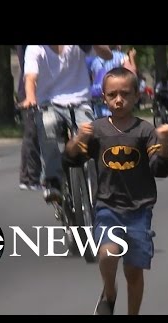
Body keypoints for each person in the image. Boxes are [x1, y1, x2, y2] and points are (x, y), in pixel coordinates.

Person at [65, 67, 168, 315]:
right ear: (103, 97)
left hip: (139, 210)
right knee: (107, 253)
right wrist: (77, 139)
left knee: (134, 272)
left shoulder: (145, 131)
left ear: (137, 95)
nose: (118, 99)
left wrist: (165, 144)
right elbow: (71, 159)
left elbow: (161, 168)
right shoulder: (98, 130)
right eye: (112, 94)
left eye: (125, 94)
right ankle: (110, 291)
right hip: (108, 206)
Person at [21, 45, 112, 204]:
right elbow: (30, 77)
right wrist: (30, 97)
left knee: (91, 134)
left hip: (80, 102)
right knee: (48, 126)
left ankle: (101, 181)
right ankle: (53, 181)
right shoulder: (36, 48)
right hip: (49, 103)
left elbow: (107, 55)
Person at [17, 45, 43, 190]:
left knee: (36, 135)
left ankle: (30, 177)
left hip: (47, 88)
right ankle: (31, 177)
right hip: (30, 89)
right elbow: (26, 64)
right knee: (32, 134)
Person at [90, 45, 137, 118]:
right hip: (116, 99)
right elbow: (132, 73)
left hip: (98, 99)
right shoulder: (121, 57)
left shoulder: (95, 59)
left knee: (100, 125)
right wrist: (131, 56)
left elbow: (93, 78)